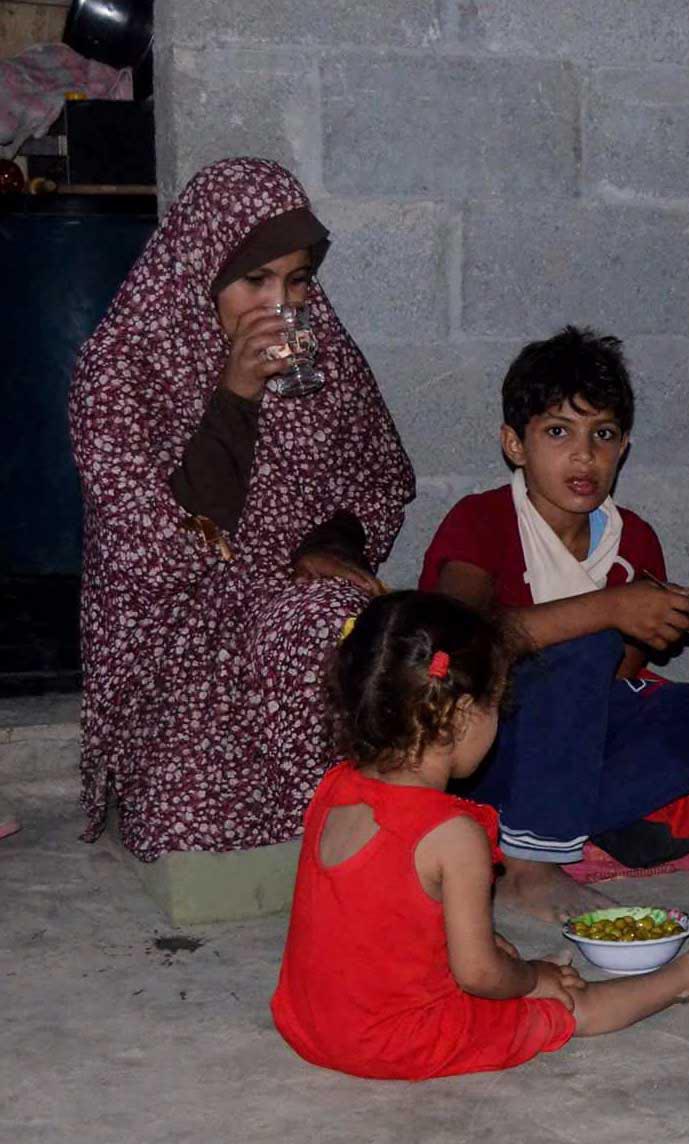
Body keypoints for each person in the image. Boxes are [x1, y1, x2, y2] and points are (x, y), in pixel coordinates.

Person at [67, 157, 414, 860]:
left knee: (334, 619)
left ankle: (345, 835)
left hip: (278, 611)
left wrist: (333, 545)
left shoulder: (324, 354)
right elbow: (155, 550)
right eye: (254, 279)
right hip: (172, 636)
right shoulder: (119, 371)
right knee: (185, 830)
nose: (278, 303)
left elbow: (377, 476)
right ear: (202, 265)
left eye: (298, 280)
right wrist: (234, 398)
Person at [271, 591, 689, 1081]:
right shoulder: (450, 834)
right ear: (462, 715)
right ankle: (687, 979)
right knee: (568, 1005)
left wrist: (493, 949)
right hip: (392, 1041)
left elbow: (376, 911)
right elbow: (478, 976)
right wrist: (533, 979)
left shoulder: (335, 787)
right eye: (497, 706)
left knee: (499, 964)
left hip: (313, 1022)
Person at [421, 327, 689, 921]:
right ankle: (533, 866)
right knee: (584, 645)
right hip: (488, 743)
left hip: (578, 748)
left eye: (603, 435)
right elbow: (461, 641)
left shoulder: (632, 538)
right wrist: (611, 611)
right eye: (558, 432)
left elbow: (622, 678)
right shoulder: (481, 520)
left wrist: (651, 626)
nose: (583, 456)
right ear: (515, 443)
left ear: (624, 448)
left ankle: (552, 820)